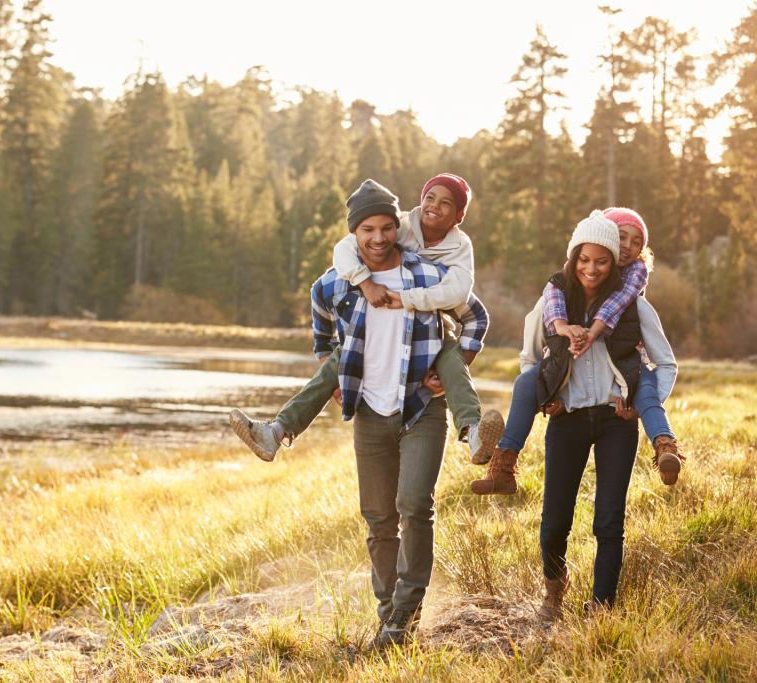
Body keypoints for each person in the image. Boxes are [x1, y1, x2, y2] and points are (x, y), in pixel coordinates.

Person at [290, 180, 489, 646]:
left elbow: (475, 315)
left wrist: (461, 361)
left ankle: (405, 611)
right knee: (378, 519)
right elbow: (320, 314)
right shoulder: (342, 276)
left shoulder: (426, 274)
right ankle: (389, 618)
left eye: (385, 228)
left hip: (421, 407)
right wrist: (328, 364)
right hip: (370, 413)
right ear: (355, 234)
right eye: (367, 229)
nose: (377, 238)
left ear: (396, 231)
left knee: (415, 506)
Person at [230, 174, 504, 466]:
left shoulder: (457, 251)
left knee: (450, 355)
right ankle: (275, 432)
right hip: (372, 334)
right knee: (340, 359)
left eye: (446, 202)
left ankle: (473, 432)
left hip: (432, 331)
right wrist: (364, 282)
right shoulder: (398, 226)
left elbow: (465, 297)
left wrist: (448, 371)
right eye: (429, 198)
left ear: (459, 216)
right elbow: (345, 248)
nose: (379, 236)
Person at [502, 211, 677, 618]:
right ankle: (553, 593)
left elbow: (664, 364)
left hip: (618, 423)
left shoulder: (634, 305)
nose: (593, 267)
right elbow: (529, 361)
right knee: (554, 521)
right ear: (575, 256)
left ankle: (602, 606)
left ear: (615, 256)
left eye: (603, 257)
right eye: (585, 259)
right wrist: (547, 398)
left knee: (609, 520)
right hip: (568, 420)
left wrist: (637, 404)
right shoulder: (553, 302)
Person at [470, 207, 684, 496]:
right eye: (622, 238)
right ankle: (504, 463)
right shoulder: (559, 288)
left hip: (625, 373)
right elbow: (533, 347)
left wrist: (593, 332)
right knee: (524, 383)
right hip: (567, 396)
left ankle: (665, 445)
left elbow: (620, 306)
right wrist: (547, 395)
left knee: (645, 388)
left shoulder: (632, 288)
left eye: (637, 242)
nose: (628, 247)